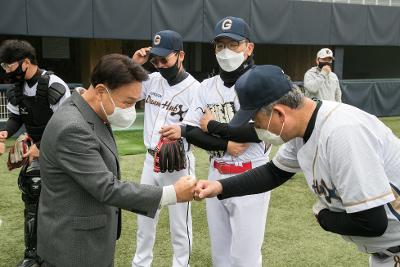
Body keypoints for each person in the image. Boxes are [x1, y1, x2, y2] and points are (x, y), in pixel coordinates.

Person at [195, 65, 400, 267]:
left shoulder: (342, 133)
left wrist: (324, 216)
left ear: (280, 114)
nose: (256, 129)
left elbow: (372, 223)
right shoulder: (300, 129)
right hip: (386, 253)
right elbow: (274, 173)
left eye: (256, 121)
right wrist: (220, 187)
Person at [36, 54, 197, 267]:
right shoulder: (73, 128)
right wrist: (172, 194)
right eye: (128, 102)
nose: (131, 109)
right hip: (75, 247)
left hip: (89, 239)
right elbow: (106, 188)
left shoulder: (91, 111)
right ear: (102, 91)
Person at [161, 17, 271, 267]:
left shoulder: (260, 82)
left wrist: (212, 127)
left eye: (233, 44)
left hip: (250, 172)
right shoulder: (207, 86)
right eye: (220, 45)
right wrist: (227, 143)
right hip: (216, 172)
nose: (225, 51)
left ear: (249, 48)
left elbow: (259, 132)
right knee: (220, 257)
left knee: (245, 258)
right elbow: (189, 130)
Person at [130, 30, 201, 267]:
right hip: (150, 162)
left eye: (165, 59)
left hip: (178, 162)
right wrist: (134, 66)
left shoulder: (196, 89)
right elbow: (123, 89)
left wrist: (183, 131)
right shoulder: (151, 80)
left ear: (180, 55)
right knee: (144, 220)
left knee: (180, 225)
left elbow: (203, 129)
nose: (160, 65)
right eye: (155, 60)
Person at [0, 39, 71, 267]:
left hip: (64, 146)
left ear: (26, 62)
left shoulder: (53, 84)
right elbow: (15, 119)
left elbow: (67, 124)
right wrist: (3, 133)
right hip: (37, 148)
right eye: (5, 67)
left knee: (64, 200)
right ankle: (33, 256)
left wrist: (41, 147)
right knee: (33, 188)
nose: (8, 72)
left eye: (10, 67)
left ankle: (63, 249)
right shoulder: (16, 90)